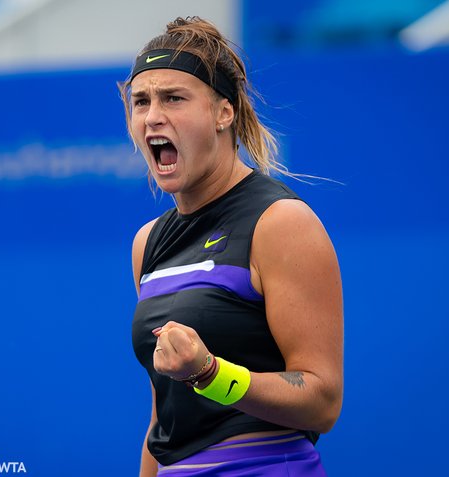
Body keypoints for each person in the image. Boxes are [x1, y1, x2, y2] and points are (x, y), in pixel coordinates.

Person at [120, 16, 343, 477]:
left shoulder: (280, 223)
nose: (153, 116)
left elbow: (322, 401)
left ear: (224, 113)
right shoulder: (147, 243)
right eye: (141, 101)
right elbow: (164, 416)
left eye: (174, 98)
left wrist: (211, 373)